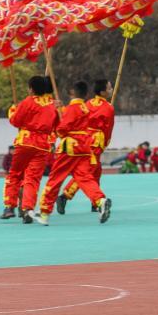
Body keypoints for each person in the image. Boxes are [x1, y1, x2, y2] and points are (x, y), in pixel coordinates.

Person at [36, 81, 112, 225]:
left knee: (55, 178)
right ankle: (100, 200)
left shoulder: (75, 107)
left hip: (69, 148)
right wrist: (61, 110)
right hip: (84, 147)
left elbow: (63, 128)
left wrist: (58, 125)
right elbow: (73, 117)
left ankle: (44, 212)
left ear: (72, 92)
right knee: (85, 178)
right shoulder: (84, 107)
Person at [1, 76, 58, 220]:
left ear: (31, 89)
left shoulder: (27, 102)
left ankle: (9, 206)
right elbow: (56, 125)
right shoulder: (52, 105)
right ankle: (27, 209)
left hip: (25, 142)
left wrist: (12, 110)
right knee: (33, 179)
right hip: (43, 145)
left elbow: (15, 121)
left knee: (15, 174)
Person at [58, 79, 115, 214]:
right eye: (109, 88)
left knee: (96, 171)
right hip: (96, 142)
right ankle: (65, 196)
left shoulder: (87, 103)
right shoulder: (108, 108)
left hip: (86, 138)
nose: (111, 89)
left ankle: (95, 203)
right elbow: (108, 128)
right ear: (103, 92)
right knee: (87, 172)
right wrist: (106, 142)